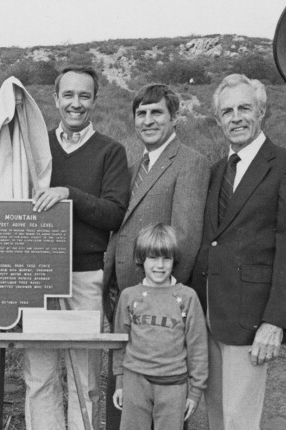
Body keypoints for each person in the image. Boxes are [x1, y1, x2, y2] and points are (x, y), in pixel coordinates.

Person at [190, 73, 286, 430]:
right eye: (227, 111)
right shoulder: (217, 171)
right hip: (209, 314)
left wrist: (275, 322)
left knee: (240, 420)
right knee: (215, 414)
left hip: (251, 319)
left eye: (244, 108)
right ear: (218, 120)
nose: (236, 118)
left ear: (261, 111)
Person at [28, 64, 130, 430]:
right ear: (55, 99)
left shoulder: (111, 152)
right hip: (36, 277)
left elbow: (114, 213)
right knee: (39, 377)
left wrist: (68, 195)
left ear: (95, 100)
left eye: (84, 95)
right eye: (68, 95)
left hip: (84, 276)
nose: (76, 103)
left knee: (84, 379)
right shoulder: (36, 148)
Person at [103, 83, 210, 429]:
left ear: (174, 118)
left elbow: (186, 239)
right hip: (124, 299)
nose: (148, 120)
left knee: (166, 404)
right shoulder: (134, 168)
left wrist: (164, 297)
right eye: (141, 113)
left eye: (157, 112)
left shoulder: (191, 163)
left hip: (161, 305)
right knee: (127, 395)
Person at [112, 223, 208, 430]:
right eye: (153, 258)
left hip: (173, 384)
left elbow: (198, 347)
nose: (160, 265)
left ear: (174, 260)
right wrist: (119, 382)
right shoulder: (129, 296)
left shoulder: (187, 297)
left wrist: (195, 391)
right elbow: (119, 343)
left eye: (166, 258)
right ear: (141, 259)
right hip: (135, 380)